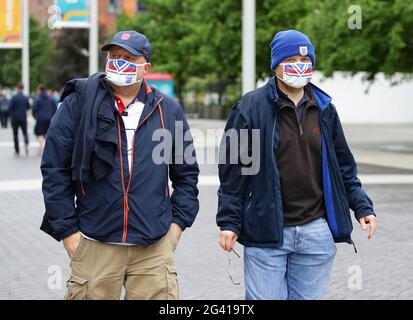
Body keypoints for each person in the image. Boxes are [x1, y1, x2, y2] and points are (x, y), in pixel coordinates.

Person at [216, 30, 377, 300]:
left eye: (305, 60)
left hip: (316, 231)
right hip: (266, 231)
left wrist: (361, 205)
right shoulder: (249, 107)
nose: (299, 66)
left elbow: (343, 165)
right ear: (275, 64)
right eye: (290, 59)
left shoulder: (325, 108)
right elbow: (233, 172)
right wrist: (229, 222)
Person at [40, 30, 199, 300]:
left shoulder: (167, 110)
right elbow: (54, 169)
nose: (119, 63)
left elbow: (186, 175)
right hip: (95, 243)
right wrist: (68, 232)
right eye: (114, 57)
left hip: (153, 246)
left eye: (128, 58)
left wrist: (176, 228)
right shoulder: (78, 104)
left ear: (145, 67)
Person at [33, 85, 57, 154]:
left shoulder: (38, 98)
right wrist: (51, 116)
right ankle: (47, 147)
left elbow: (34, 109)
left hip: (40, 119)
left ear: (40, 90)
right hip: (49, 119)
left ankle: (42, 147)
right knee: (47, 133)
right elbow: (55, 108)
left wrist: (35, 116)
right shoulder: (51, 98)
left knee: (40, 134)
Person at [9, 84, 30, 155]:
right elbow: (28, 107)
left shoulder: (14, 97)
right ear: (23, 88)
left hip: (15, 118)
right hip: (23, 117)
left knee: (15, 134)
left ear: (17, 88)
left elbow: (10, 107)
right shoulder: (25, 97)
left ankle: (17, 149)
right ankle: (26, 143)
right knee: (25, 132)